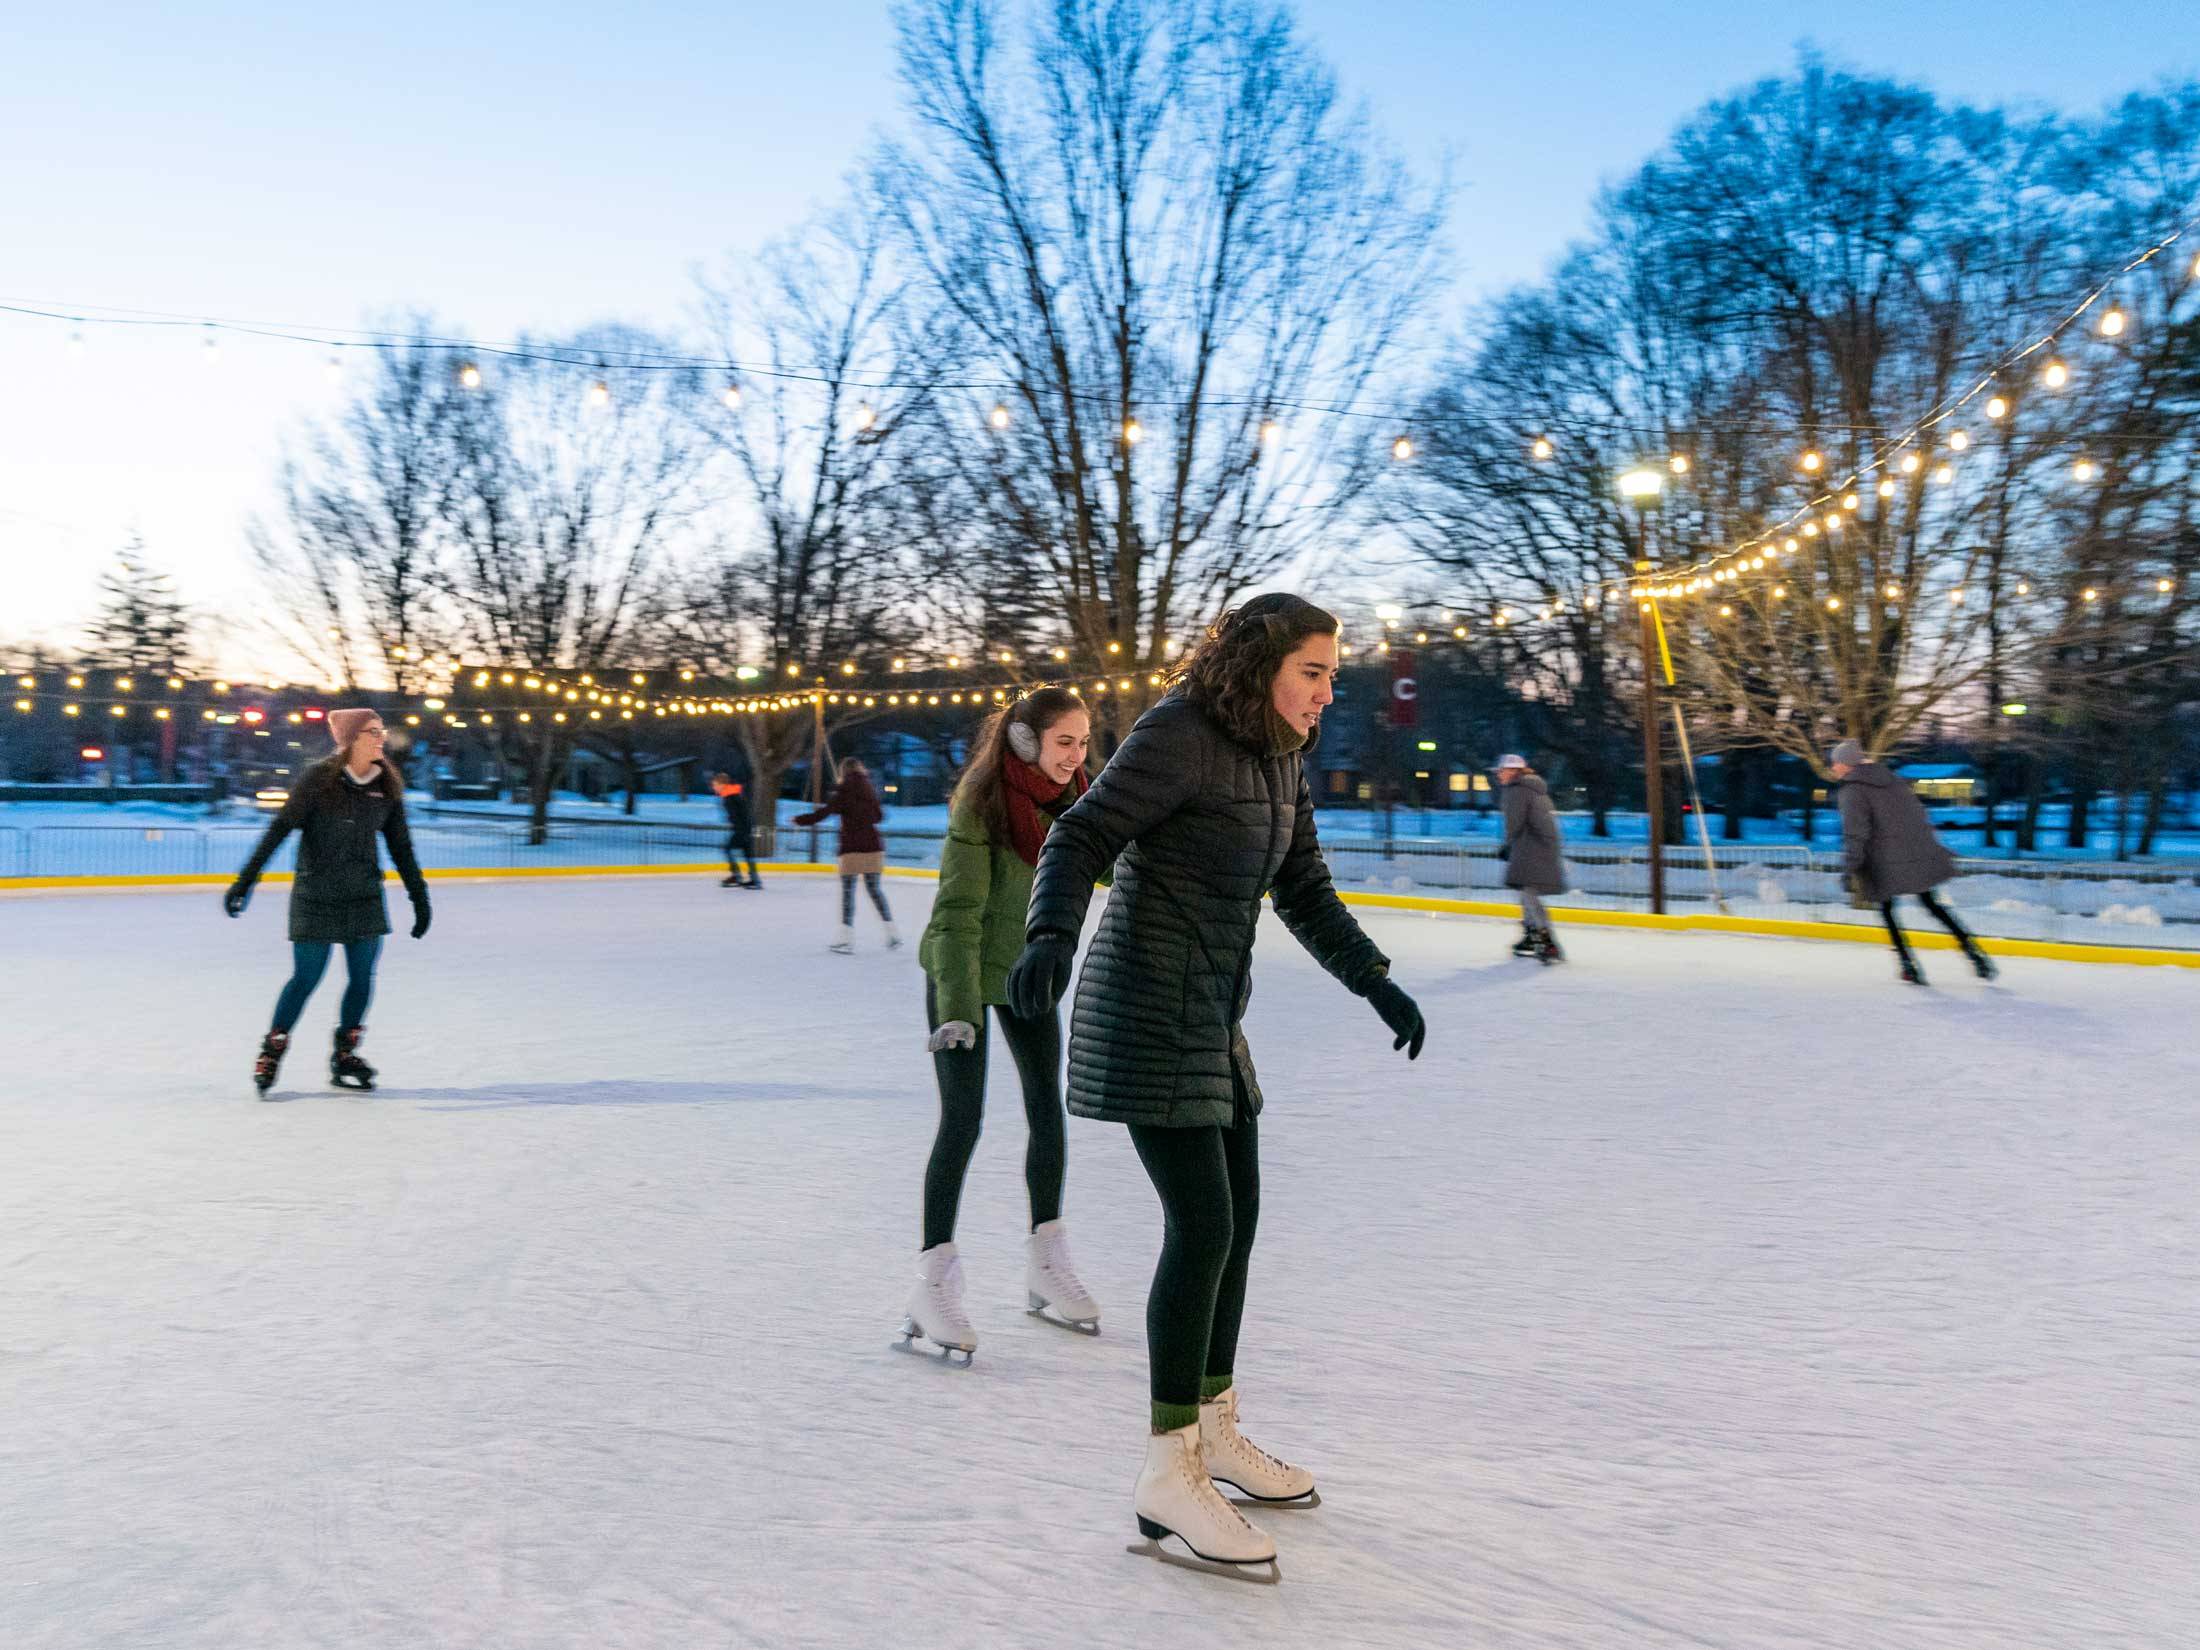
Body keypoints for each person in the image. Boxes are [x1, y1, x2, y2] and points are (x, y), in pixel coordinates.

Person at [1006, 593, 1427, 1571]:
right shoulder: (1179, 733)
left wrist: (1377, 983)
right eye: (1312, 673)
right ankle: (1167, 1468)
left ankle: (1215, 1429)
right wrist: (1049, 940)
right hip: (1145, 1006)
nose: (1327, 693)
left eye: (1332, 675)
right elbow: (1079, 837)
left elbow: (1305, 887)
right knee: (1201, 1224)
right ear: (1260, 667)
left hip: (1211, 1016)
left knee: (1236, 1218)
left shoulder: (1279, 752)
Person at [900, 687, 1100, 1362]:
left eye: (1081, 741)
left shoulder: (1076, 805)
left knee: (1048, 1108)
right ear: (1024, 742)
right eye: (1062, 742)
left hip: (1023, 974)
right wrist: (956, 1010)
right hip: (960, 970)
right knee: (964, 1119)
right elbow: (955, 914)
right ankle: (932, 1282)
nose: (1075, 755)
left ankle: (1046, 1261)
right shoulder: (980, 805)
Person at [224, 709, 431, 1094]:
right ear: (352, 739)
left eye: (381, 731)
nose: (381, 738)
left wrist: (419, 896)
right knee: (306, 977)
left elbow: (401, 846)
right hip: (316, 895)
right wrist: (246, 880)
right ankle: (272, 1050)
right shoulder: (319, 780)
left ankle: (344, 1054)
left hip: (363, 896)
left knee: (362, 978)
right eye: (373, 732)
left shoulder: (385, 785)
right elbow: (281, 827)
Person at [1830, 738, 1994, 985]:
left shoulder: (1852, 790)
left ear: (1846, 764)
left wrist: (1849, 868)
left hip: (1884, 861)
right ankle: (1972, 950)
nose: (1833, 767)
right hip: (1913, 853)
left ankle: (1908, 964)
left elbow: (1855, 833)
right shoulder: (1892, 780)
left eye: (1836, 762)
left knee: (1887, 910)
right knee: (1932, 904)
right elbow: (1917, 813)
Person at [792, 757, 899, 953]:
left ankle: (846, 939)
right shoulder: (869, 789)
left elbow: (824, 813)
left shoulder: (843, 791)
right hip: (873, 846)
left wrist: (800, 820)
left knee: (848, 894)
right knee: (875, 891)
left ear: (843, 772)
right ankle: (892, 933)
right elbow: (879, 816)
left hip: (851, 848)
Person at [1496, 753, 1567, 964]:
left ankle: (1547, 941)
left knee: (1529, 894)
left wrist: (1507, 845)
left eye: (1501, 771)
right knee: (1525, 892)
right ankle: (1531, 936)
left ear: (1512, 771)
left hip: (1531, 849)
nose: (1499, 775)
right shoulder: (1534, 788)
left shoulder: (1516, 790)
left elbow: (1513, 823)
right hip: (1540, 847)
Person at [711, 772, 761, 889]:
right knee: (747, 853)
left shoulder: (730, 797)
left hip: (742, 830)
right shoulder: (734, 794)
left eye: (715, 784)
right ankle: (755, 880)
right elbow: (743, 813)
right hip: (746, 828)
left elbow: (738, 816)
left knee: (727, 848)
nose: (714, 787)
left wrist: (741, 832)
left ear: (722, 784)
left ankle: (736, 876)